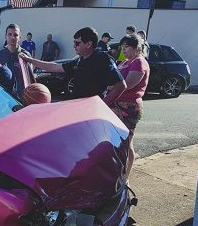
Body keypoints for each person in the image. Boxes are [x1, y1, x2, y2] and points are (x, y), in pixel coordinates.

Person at [19, 26, 126, 105]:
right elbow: (53, 67)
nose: (74, 46)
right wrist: (30, 60)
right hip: (78, 107)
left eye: (77, 43)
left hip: (92, 110)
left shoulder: (102, 59)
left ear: (88, 44)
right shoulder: (80, 60)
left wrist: (103, 104)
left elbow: (121, 85)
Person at [112, 34, 150, 184]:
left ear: (136, 47)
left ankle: (125, 177)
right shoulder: (125, 62)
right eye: (122, 47)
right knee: (117, 142)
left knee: (127, 143)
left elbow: (129, 84)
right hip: (116, 105)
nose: (123, 49)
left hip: (129, 107)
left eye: (126, 46)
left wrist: (110, 86)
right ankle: (117, 173)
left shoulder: (139, 62)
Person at [0, 23, 35, 99]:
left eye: (15, 35)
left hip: (21, 99)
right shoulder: (0, 55)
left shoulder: (25, 55)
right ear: (6, 36)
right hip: (3, 98)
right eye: (9, 34)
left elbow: (31, 79)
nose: (12, 37)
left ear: (20, 37)